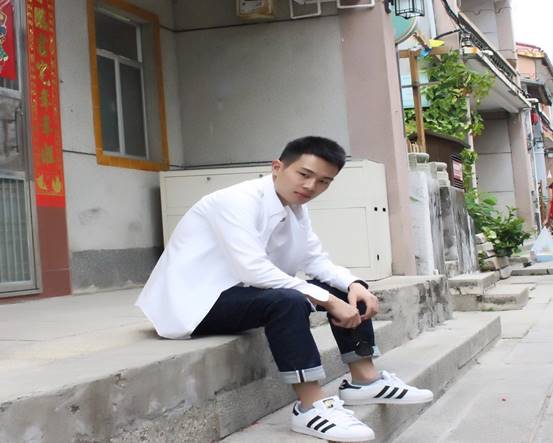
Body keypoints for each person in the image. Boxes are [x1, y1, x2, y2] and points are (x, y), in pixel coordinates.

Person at [136, 136, 433, 442]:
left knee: (342, 289)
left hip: (241, 293)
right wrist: (328, 301)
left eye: (324, 181)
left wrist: (354, 284)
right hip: (196, 303)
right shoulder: (235, 201)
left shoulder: (295, 209)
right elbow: (254, 269)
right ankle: (310, 406)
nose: (311, 186)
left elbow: (315, 261)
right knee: (288, 300)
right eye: (304, 174)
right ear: (277, 167)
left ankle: (365, 380)